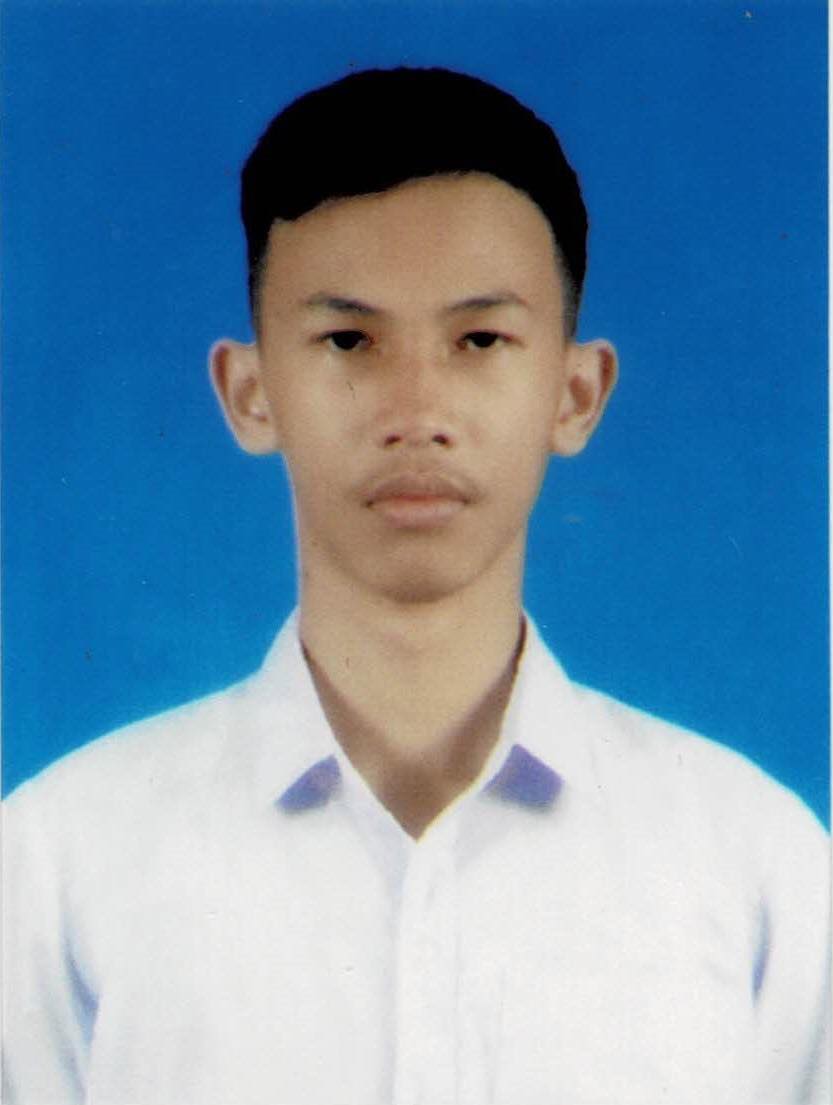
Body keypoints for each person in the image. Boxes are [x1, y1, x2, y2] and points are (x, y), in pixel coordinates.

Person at [3, 67, 829, 1105]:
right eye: (348, 340)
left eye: (479, 340)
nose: (416, 411)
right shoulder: (57, 863)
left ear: (574, 393)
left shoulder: (756, 867)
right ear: (249, 393)